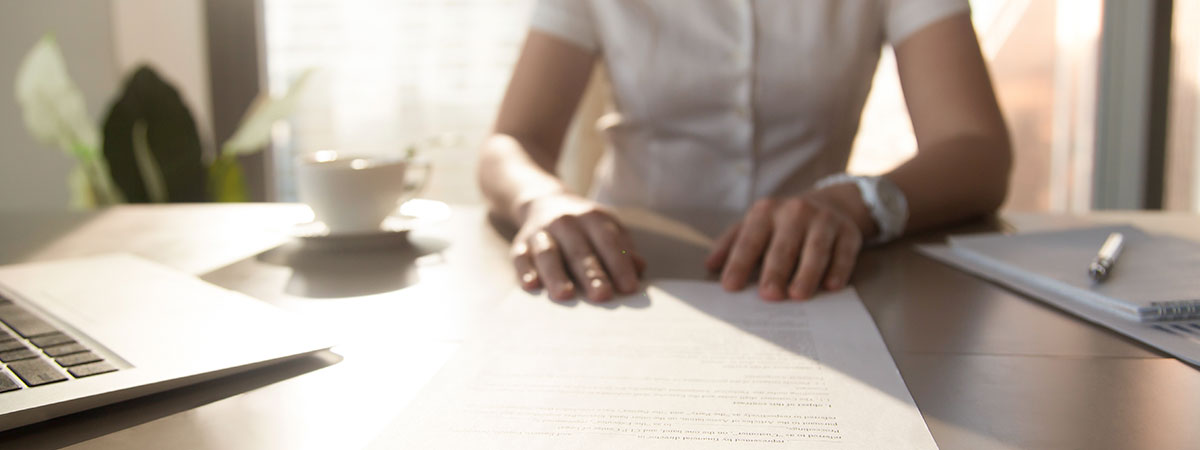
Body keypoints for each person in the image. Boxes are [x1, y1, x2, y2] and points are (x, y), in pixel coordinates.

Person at [478, 0, 1012, 302]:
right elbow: (513, 141)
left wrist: (851, 203)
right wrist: (544, 201)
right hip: (623, 268)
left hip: (813, 278)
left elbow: (977, 150)